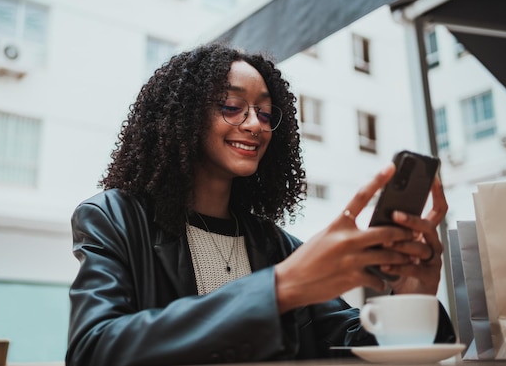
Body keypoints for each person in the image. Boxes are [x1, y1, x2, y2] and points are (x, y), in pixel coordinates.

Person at [66, 43, 456, 366]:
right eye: (232, 106)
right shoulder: (113, 218)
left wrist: (412, 297)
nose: (255, 124)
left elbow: (352, 350)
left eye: (266, 112)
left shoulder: (277, 246)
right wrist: (279, 289)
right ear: (184, 117)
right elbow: (94, 350)